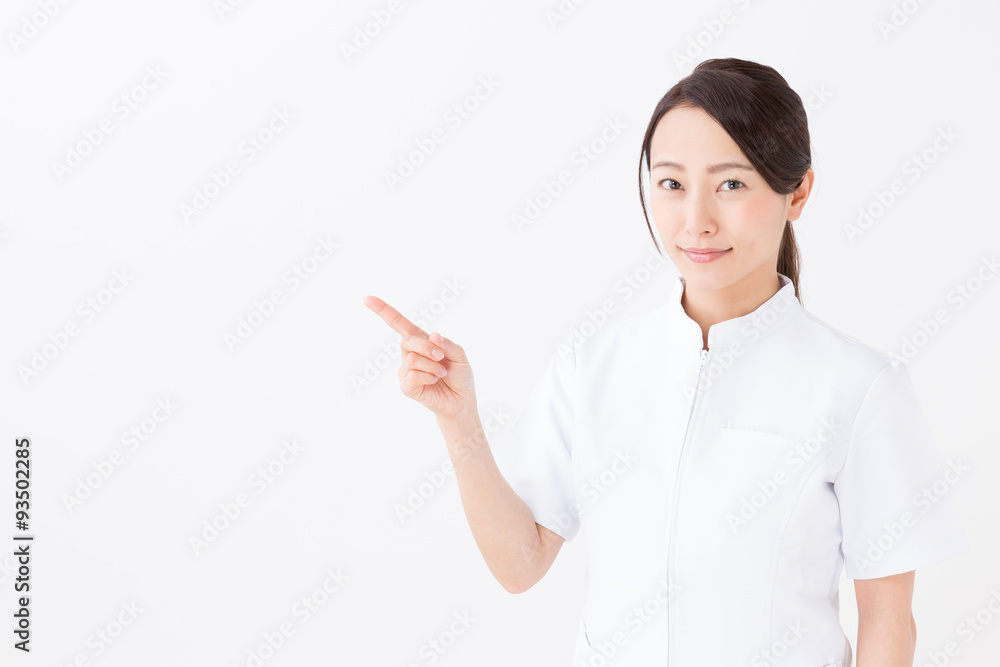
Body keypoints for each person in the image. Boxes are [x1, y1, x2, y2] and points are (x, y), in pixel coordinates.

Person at [363, 58, 971, 667]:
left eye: (731, 184)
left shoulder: (859, 387)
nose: (696, 222)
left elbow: (888, 621)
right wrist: (460, 424)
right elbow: (519, 566)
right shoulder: (591, 368)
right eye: (672, 184)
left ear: (799, 192)